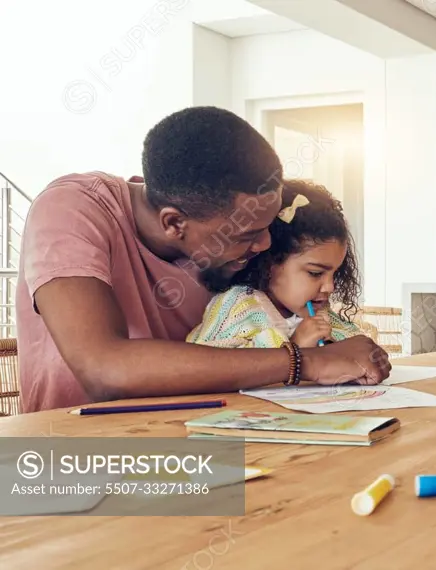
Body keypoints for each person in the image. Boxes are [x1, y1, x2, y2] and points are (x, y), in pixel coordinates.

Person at [16, 106, 390, 413]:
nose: (263, 245)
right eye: (246, 234)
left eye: (266, 230)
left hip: (199, 433)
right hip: (74, 451)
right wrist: (305, 363)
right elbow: (104, 370)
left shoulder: (220, 241)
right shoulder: (72, 210)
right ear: (174, 223)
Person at [187, 179, 368, 353]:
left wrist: (334, 345)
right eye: (315, 273)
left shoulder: (322, 315)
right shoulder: (237, 305)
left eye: (335, 273)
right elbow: (213, 367)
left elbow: (357, 347)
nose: (330, 287)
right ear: (270, 263)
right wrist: (295, 346)